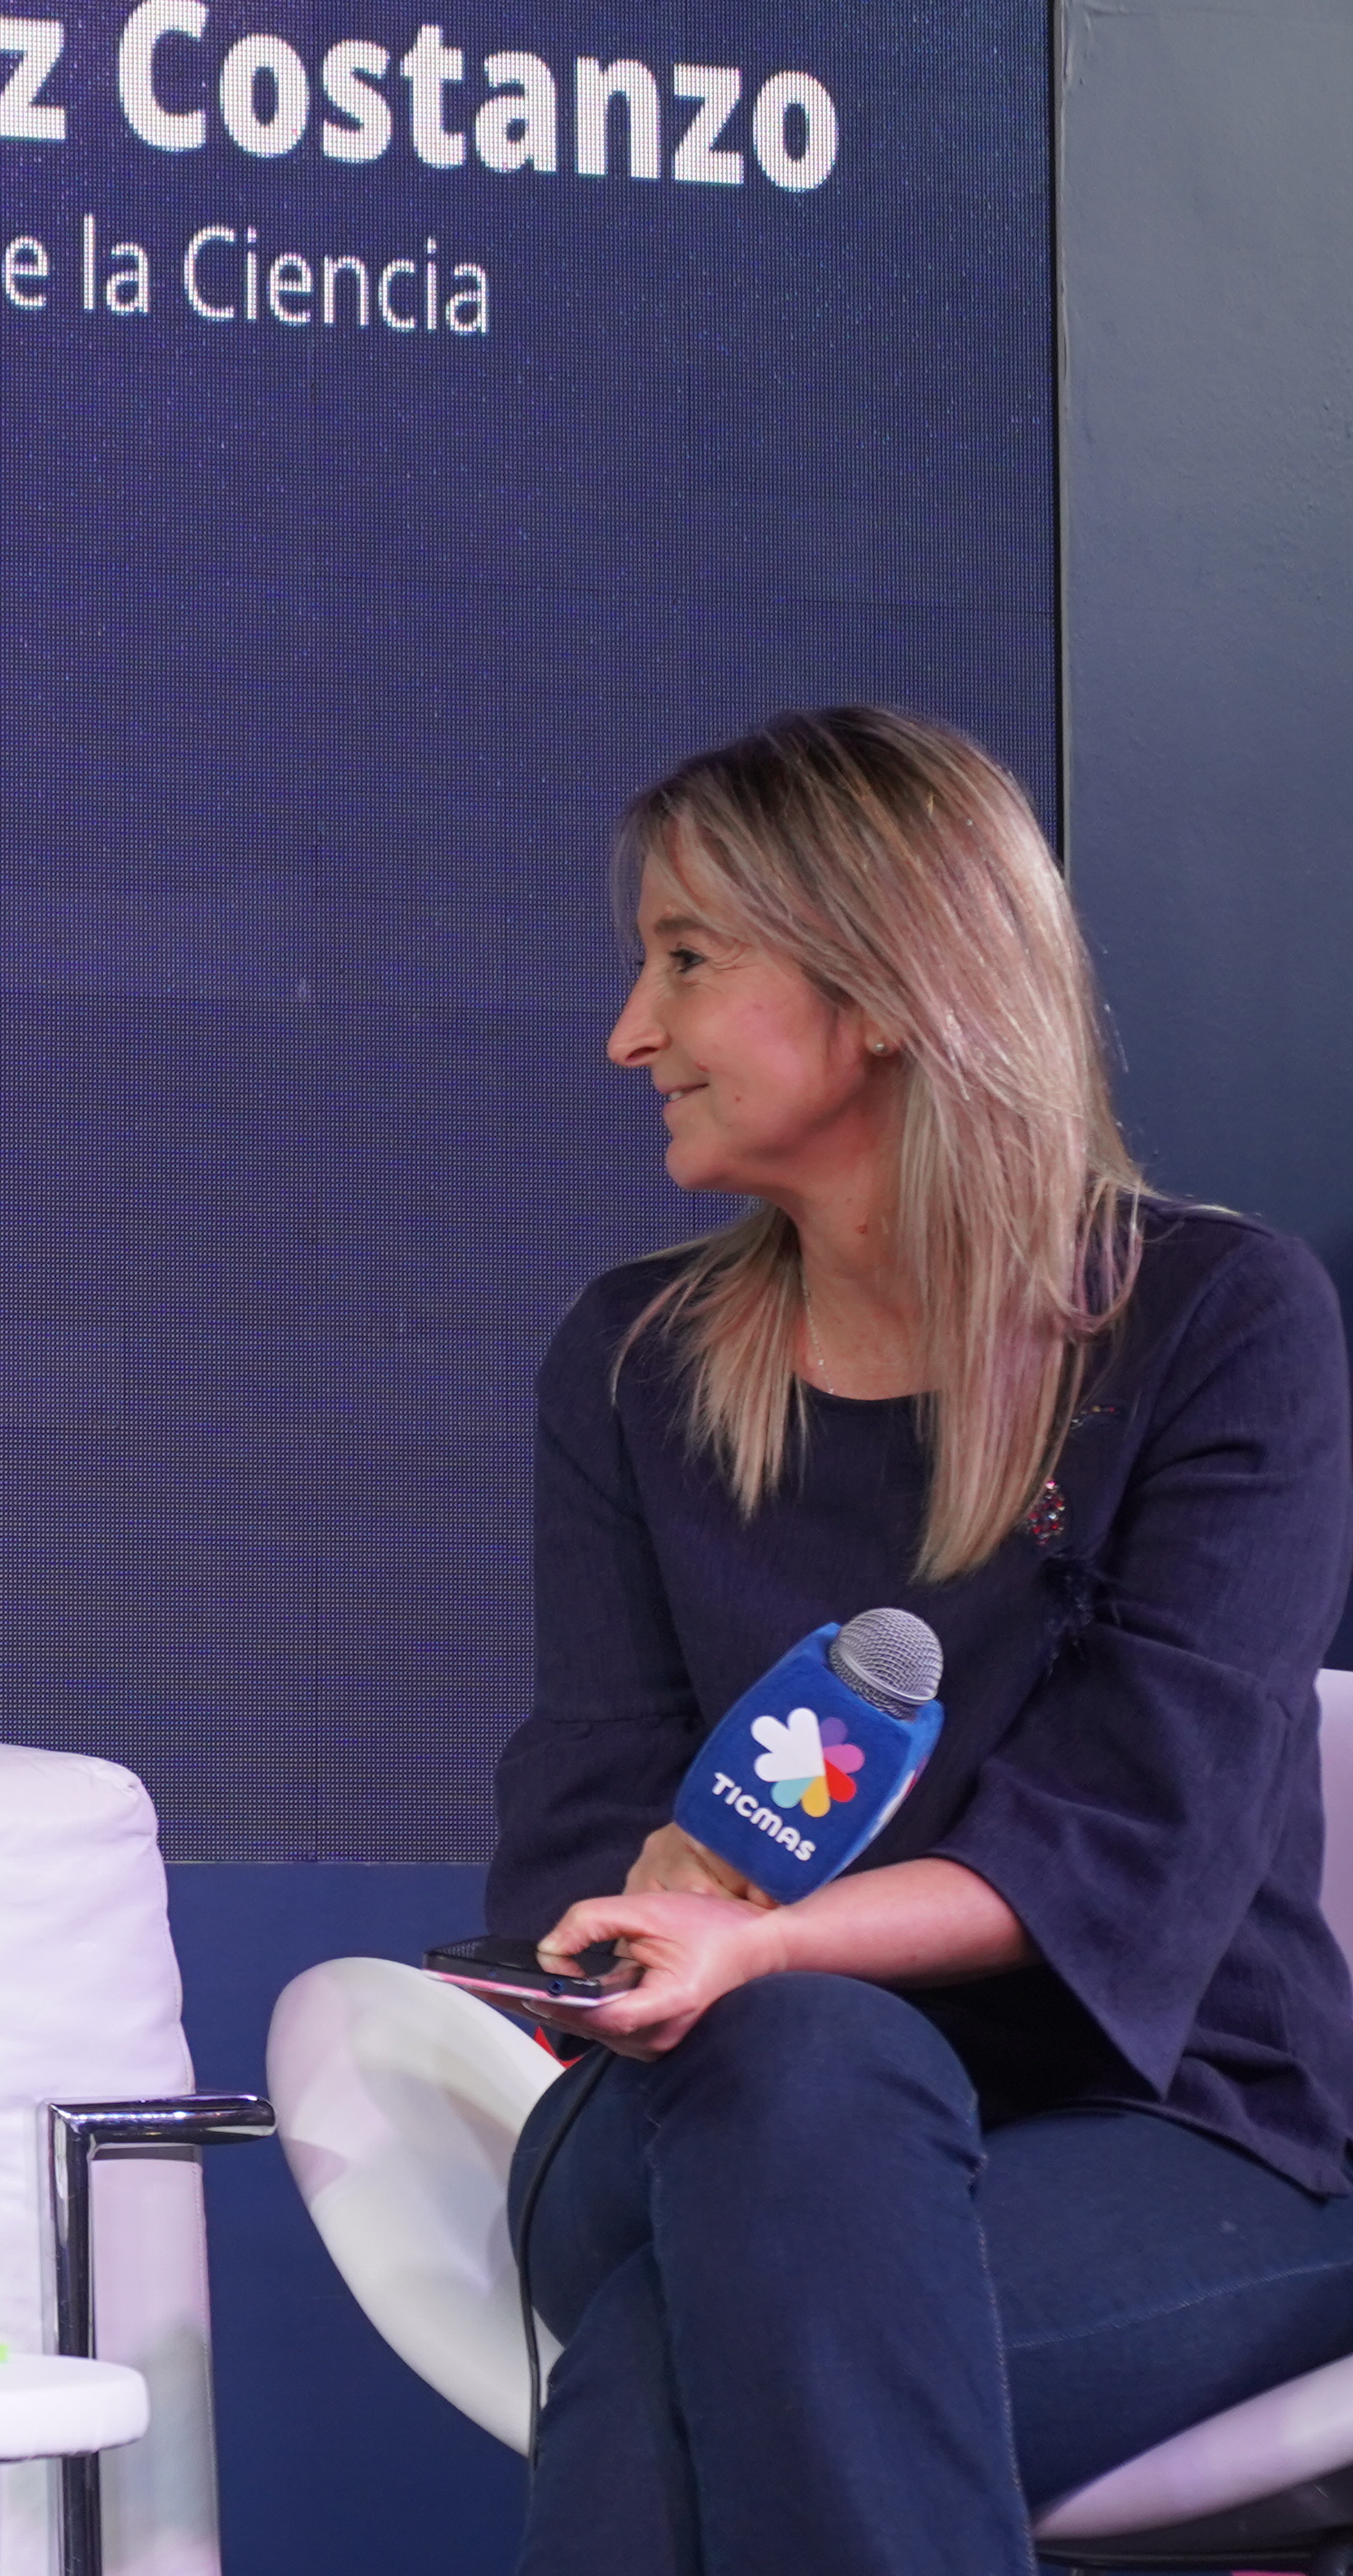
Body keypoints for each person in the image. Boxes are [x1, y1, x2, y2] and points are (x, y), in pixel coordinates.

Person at [486, 705, 1353, 2574]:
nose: (630, 1032)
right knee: (803, 2063)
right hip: (702, 2110)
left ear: (883, 985)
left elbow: (1144, 1834)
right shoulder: (633, 1365)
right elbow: (578, 1812)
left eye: (686, 961)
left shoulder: (1215, 1323)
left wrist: (778, 1936)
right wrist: (669, 1907)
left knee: (665, 2371)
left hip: (1171, 2134)